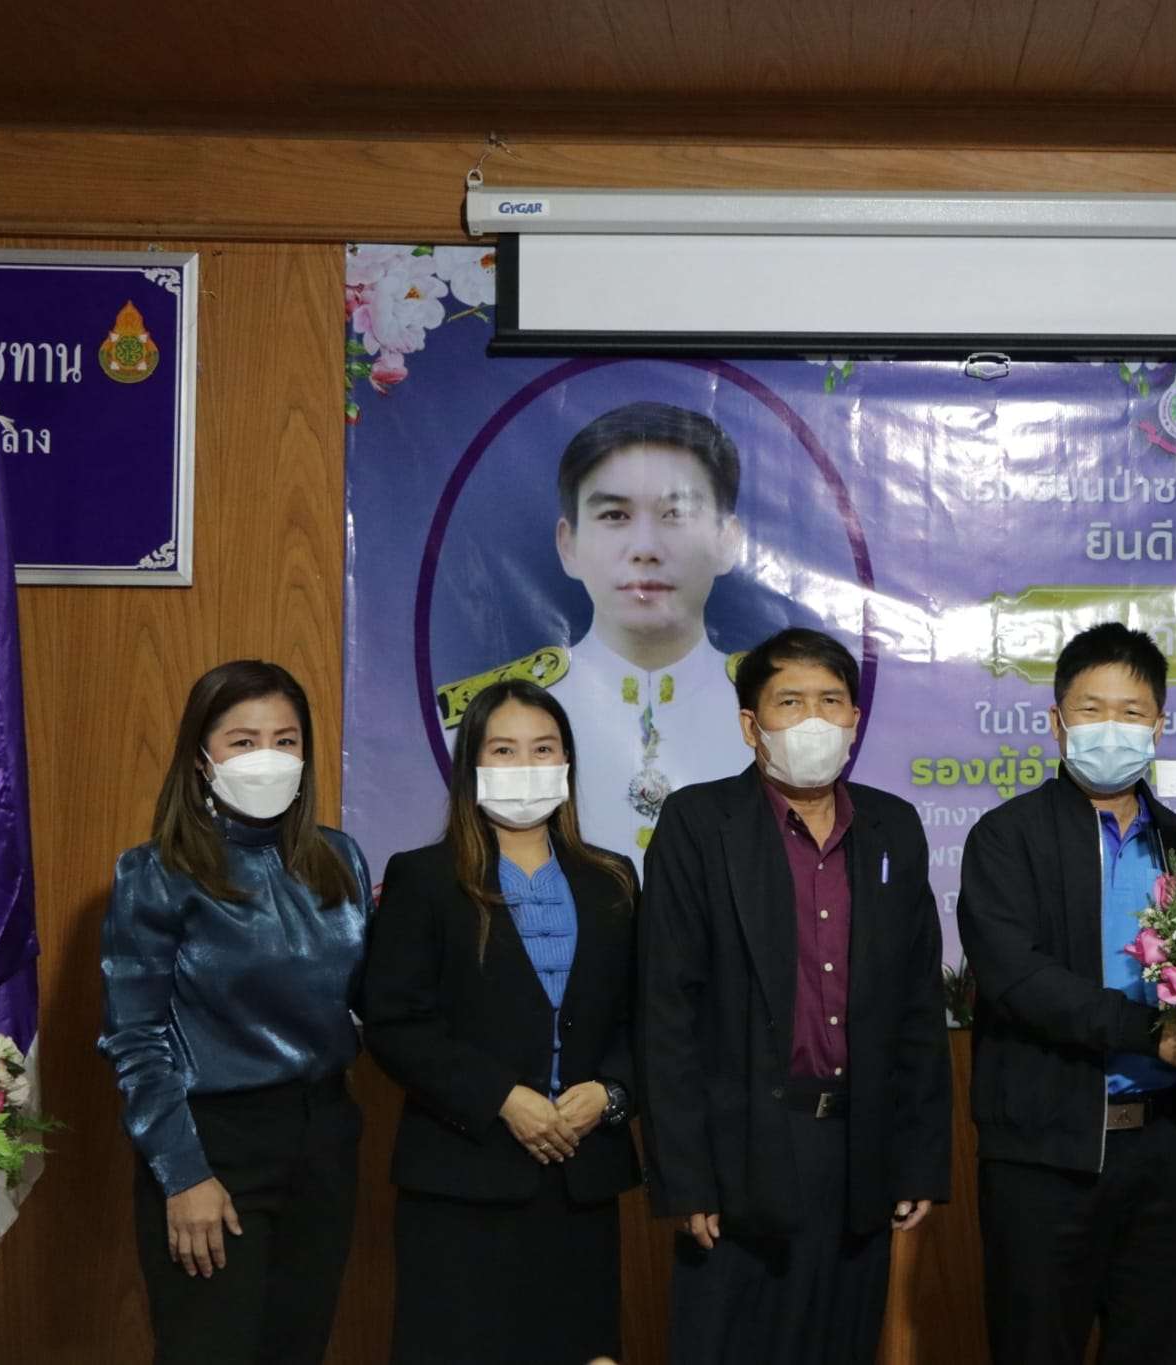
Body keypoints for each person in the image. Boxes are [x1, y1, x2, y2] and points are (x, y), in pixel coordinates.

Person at [638, 627, 952, 1365]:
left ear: (855, 720)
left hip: (859, 1147)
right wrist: (686, 1177)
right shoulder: (697, 824)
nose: (814, 720)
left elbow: (916, 1006)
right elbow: (666, 1010)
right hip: (740, 1150)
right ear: (751, 725)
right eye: (790, 702)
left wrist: (919, 1160)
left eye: (830, 702)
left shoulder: (893, 827)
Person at [957, 622, 1176, 1365]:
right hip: (1045, 1152)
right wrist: (1153, 1034)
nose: (1111, 728)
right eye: (1091, 710)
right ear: (1057, 723)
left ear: (1158, 726)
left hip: (1167, 1147)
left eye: (1131, 711)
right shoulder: (1006, 837)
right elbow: (1018, 981)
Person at [98, 660, 372, 1365]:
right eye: (244, 741)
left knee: (297, 1348)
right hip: (212, 1143)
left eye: (285, 740)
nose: (267, 757)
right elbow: (135, 1039)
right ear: (202, 757)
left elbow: (371, 1000)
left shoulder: (340, 858)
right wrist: (183, 1173)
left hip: (323, 1139)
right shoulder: (155, 872)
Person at [361, 679, 641, 1364]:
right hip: (463, 1179)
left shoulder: (612, 879)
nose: (526, 765)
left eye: (543, 749)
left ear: (567, 763)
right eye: (504, 750)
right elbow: (393, 1020)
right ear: (473, 765)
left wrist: (610, 1093)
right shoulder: (424, 877)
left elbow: (646, 1017)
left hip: (580, 1179)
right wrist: (501, 1098)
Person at [439, 401, 749, 865]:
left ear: (727, 541)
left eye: (675, 513)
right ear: (568, 544)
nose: (645, 548)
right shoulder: (478, 720)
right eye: (615, 516)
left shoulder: (768, 714)